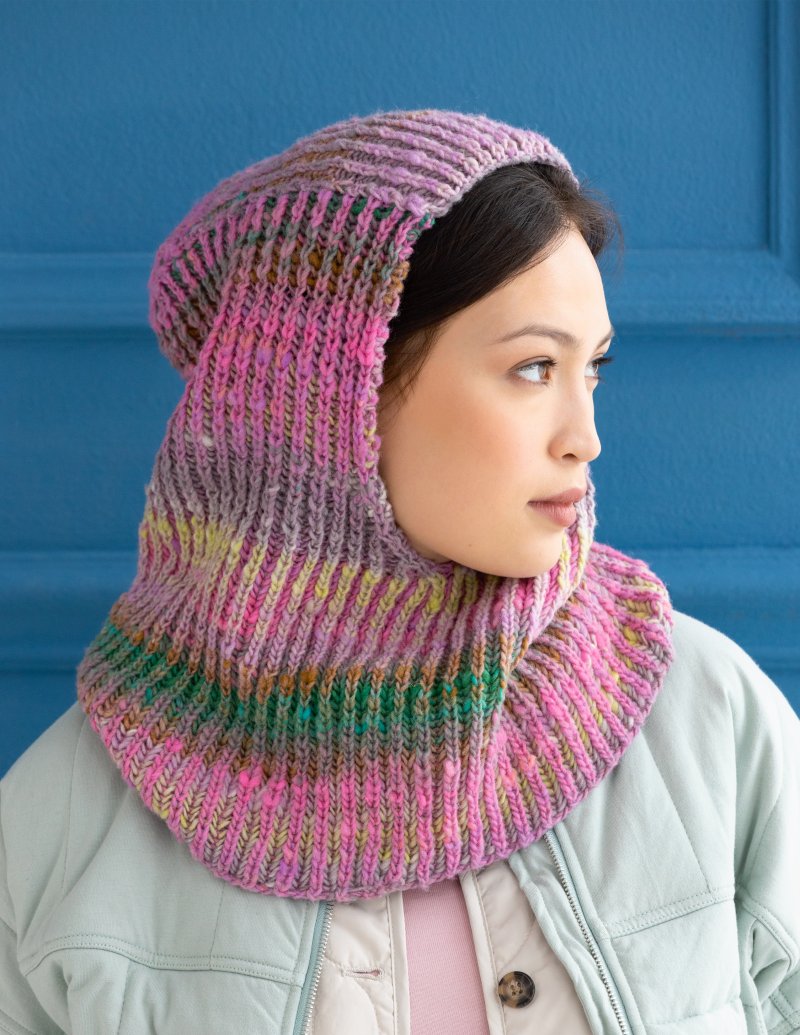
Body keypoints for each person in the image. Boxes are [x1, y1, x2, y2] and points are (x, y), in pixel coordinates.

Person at [1, 107, 798, 1035]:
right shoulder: (70, 817)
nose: (585, 437)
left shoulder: (712, 726)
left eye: (593, 370)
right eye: (534, 368)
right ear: (329, 395)